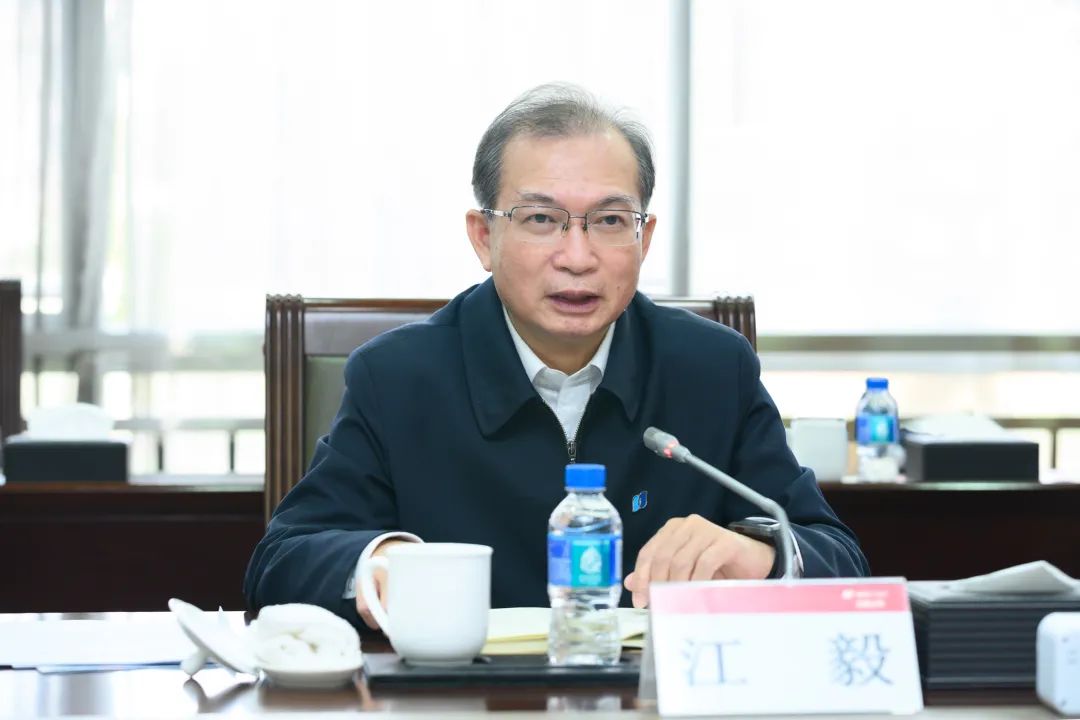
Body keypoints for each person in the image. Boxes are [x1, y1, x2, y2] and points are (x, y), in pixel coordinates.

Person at [245, 83, 869, 631]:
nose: (577, 257)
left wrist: (764, 557)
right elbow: (280, 564)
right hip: (463, 699)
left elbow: (840, 559)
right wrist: (376, 561)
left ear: (644, 237)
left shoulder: (711, 369)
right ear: (484, 237)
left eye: (609, 221)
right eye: (542, 218)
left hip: (649, 699)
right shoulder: (398, 378)